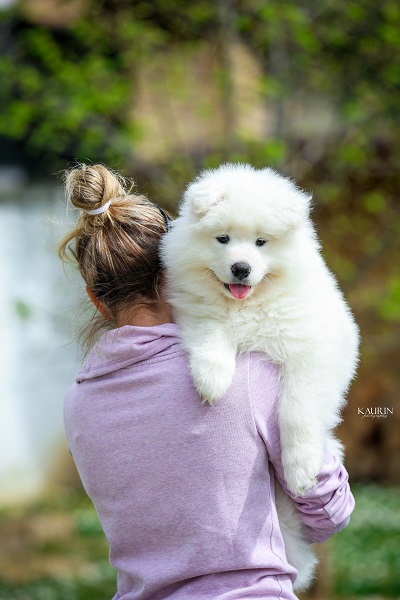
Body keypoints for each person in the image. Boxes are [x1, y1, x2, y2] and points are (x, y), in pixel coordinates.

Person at [60, 164, 354, 600]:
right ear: (169, 273)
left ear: (93, 297)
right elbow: (327, 510)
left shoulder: (77, 401)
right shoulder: (253, 373)